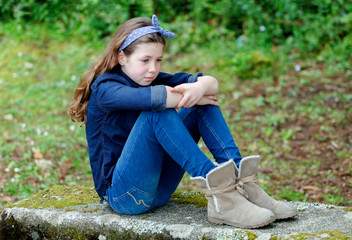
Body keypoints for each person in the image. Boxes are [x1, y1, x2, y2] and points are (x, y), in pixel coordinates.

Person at [69, 14, 297, 229]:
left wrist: (199, 88)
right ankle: (221, 195)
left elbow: (211, 84)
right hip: (124, 196)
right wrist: (195, 92)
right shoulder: (106, 88)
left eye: (158, 60)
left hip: (160, 189)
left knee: (199, 102)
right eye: (145, 60)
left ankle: (244, 186)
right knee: (156, 111)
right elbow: (158, 99)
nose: (153, 68)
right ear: (122, 57)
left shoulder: (149, 79)